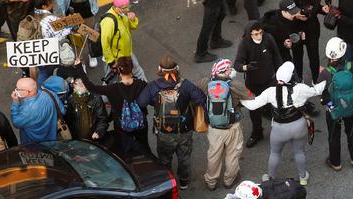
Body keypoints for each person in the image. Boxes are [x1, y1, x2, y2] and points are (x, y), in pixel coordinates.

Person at [241, 61, 326, 184]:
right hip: (299, 126)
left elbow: (253, 105)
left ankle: (270, 178)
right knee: (299, 152)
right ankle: (303, 178)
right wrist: (327, 76)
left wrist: (240, 99)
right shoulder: (300, 89)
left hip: (279, 129)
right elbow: (316, 90)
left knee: (275, 154)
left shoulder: (270, 91)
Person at [137, 55, 207, 190]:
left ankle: (168, 182)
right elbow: (201, 100)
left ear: (160, 70)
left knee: (164, 159)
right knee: (184, 157)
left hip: (164, 132)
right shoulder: (186, 85)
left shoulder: (153, 86)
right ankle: (184, 182)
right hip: (184, 131)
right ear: (177, 69)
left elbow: (141, 102)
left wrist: (155, 102)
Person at [76, 57, 150, 154]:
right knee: (144, 146)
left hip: (121, 125)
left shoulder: (112, 89)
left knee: (124, 148)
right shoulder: (142, 85)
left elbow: (91, 87)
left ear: (118, 70)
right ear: (132, 68)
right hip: (141, 124)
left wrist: (79, 67)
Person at [199, 59, 253, 190]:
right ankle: (229, 180)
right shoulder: (234, 85)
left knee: (214, 154)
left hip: (214, 128)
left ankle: (211, 181)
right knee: (233, 154)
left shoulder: (206, 83)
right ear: (226, 71)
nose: (231, 70)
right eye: (229, 68)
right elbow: (251, 96)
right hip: (232, 127)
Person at [318, 37, 353, 171]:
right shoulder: (351, 66)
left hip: (334, 108)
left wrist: (329, 105)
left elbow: (320, 92)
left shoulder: (325, 73)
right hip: (350, 106)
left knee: (334, 135)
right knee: (352, 131)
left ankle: (335, 162)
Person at [235, 21, 283, 149]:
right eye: (256, 34)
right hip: (253, 83)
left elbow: (277, 57)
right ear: (249, 34)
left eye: (260, 33)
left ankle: (278, 132)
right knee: (254, 110)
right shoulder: (244, 44)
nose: (259, 36)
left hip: (270, 80)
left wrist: (281, 76)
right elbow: (237, 64)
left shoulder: (268, 38)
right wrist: (246, 67)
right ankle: (257, 133)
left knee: (275, 106)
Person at [100, 0, 146, 82]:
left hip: (127, 53)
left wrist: (133, 19)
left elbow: (133, 26)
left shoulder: (123, 14)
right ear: (118, 8)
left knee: (138, 73)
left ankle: (147, 89)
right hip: (116, 58)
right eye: (125, 8)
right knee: (110, 80)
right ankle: (105, 95)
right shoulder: (108, 21)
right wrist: (112, 63)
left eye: (129, 7)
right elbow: (105, 44)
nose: (128, 10)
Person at [34, 0, 73, 87]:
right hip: (50, 53)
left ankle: (39, 90)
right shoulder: (50, 19)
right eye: (50, 3)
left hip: (37, 52)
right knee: (53, 73)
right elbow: (60, 36)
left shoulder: (34, 13)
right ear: (44, 6)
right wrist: (69, 28)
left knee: (42, 72)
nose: (52, 4)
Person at [10, 77, 59, 144]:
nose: (15, 91)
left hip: (33, 143)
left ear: (27, 92)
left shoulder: (27, 111)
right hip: (52, 137)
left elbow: (16, 123)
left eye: (18, 89)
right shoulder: (50, 94)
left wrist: (15, 102)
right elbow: (62, 110)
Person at [261, 0, 303, 65]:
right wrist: (283, 44)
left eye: (295, 12)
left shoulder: (291, 18)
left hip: (285, 53)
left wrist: (299, 33)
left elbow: (295, 30)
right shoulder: (271, 26)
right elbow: (268, 45)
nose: (294, 15)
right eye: (292, 13)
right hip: (275, 57)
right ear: (284, 12)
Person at [293, 0, 321, 83]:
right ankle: (299, 79)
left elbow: (316, 6)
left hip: (312, 30)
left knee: (314, 57)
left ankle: (316, 80)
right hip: (295, 29)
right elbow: (285, 8)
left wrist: (322, 8)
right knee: (297, 57)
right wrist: (295, 15)